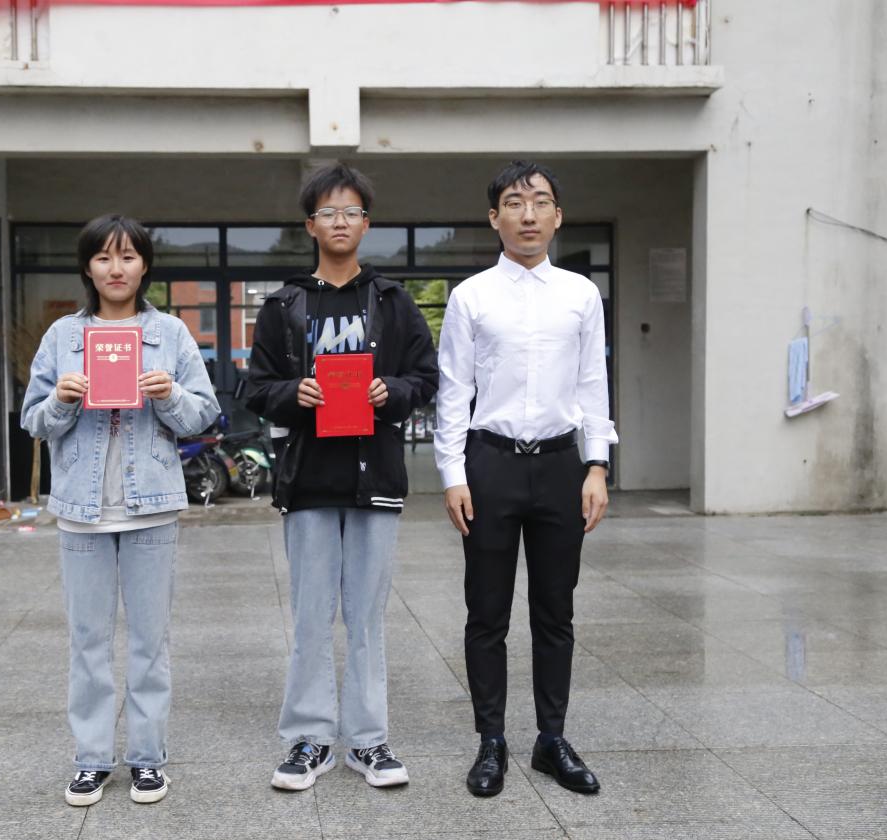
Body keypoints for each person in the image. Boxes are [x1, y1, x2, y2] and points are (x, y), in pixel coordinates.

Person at [246, 163, 439, 791]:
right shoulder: (284, 306)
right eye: (327, 212)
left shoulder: (392, 302)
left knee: (366, 617)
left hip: (373, 478)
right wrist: (292, 393)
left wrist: (393, 391)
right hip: (307, 481)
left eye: (351, 212)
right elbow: (256, 387)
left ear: (366, 224)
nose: (340, 221)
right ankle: (309, 739)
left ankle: (368, 740)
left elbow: (426, 377)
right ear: (310, 225)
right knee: (310, 616)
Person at [21, 215, 220, 807]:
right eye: (104, 257)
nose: (116, 268)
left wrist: (170, 394)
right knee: (87, 642)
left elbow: (203, 413)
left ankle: (147, 760)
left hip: (150, 509)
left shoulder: (170, 333)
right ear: (88, 267)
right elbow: (32, 420)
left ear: (144, 266)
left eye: (128, 256)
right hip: (81, 512)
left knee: (149, 643)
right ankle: (91, 759)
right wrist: (61, 399)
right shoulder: (63, 336)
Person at [434, 161, 618, 798]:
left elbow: (593, 384)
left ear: (557, 216)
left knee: (555, 611)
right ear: (495, 218)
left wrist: (597, 465)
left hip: (562, 465)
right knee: (486, 612)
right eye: (514, 202)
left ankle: (551, 739)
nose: (529, 214)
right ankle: (491, 741)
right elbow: (453, 391)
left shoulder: (580, 294)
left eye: (540, 202)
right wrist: (453, 474)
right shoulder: (471, 296)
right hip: (491, 464)